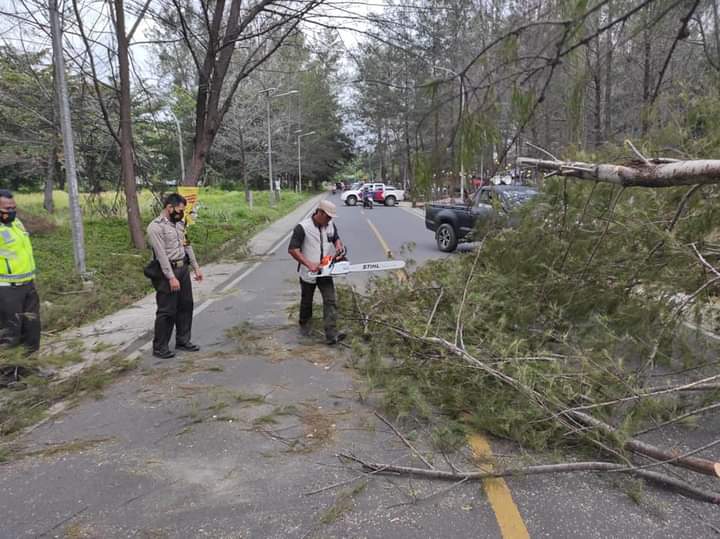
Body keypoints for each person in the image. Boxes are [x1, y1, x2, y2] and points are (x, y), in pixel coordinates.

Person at [146, 193, 204, 359]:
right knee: (167, 310)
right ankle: (160, 347)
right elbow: (161, 255)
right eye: (179, 210)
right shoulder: (155, 227)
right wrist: (171, 277)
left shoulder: (179, 224)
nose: (181, 214)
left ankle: (183, 340)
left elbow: (187, 245)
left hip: (183, 268)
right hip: (167, 272)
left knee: (186, 305)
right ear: (169, 207)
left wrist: (196, 267)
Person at [288, 199, 346, 345]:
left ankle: (331, 334)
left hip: (325, 270)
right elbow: (292, 250)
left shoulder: (330, 224)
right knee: (307, 301)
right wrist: (309, 264)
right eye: (327, 217)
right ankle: (305, 326)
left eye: (331, 217)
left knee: (330, 300)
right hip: (308, 272)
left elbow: (336, 238)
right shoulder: (303, 227)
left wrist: (339, 247)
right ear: (319, 213)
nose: (329, 220)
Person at [0, 189, 41, 353]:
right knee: (10, 334)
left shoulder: (16, 223)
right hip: (6, 289)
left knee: (32, 329)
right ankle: (9, 376)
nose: (11, 212)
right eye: (7, 209)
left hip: (28, 285)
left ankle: (30, 371)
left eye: (13, 208)